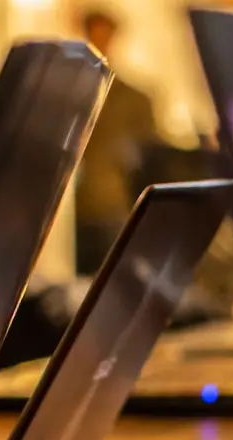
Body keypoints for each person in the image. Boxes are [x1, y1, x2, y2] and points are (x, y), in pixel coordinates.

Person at [74, 8, 158, 274]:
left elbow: (151, 157)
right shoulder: (74, 94)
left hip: (116, 206)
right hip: (79, 207)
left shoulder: (133, 98)